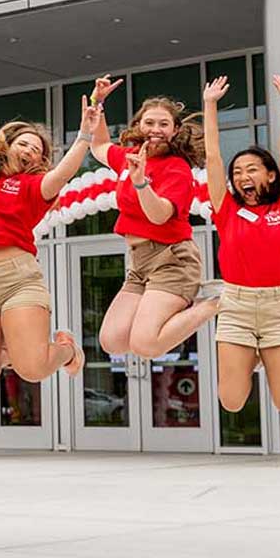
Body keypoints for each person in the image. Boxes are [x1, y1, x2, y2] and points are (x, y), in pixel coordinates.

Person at [0, 52, 97, 391]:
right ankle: (10, 344)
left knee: (32, 369)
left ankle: (66, 348)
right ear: (8, 144)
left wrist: (85, 137)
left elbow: (63, 173)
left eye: (37, 149)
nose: (30, 150)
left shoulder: (36, 187)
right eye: (24, 143)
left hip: (18, 278)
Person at [89, 75, 219, 359]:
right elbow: (98, 146)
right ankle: (184, 303)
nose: (156, 130)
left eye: (164, 124)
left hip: (172, 259)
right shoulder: (130, 157)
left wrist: (140, 183)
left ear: (174, 130)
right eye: (150, 123)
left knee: (145, 345)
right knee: (112, 341)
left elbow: (159, 216)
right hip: (139, 262)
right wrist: (98, 102)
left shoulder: (177, 168)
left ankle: (213, 305)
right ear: (138, 126)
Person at [203, 74, 280, 412]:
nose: (242, 177)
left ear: (270, 174)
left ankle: (263, 354)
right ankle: (252, 356)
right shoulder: (228, 209)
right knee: (232, 401)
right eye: (238, 172)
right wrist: (210, 105)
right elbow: (212, 158)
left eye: (251, 169)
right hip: (236, 306)